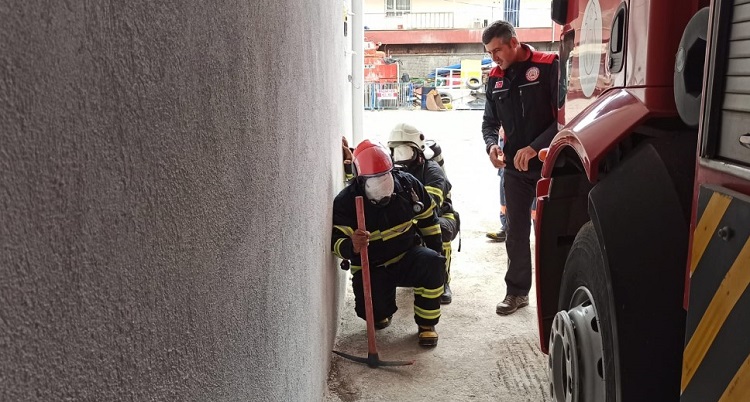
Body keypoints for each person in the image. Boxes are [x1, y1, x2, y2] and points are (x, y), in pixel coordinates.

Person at [331, 140, 446, 347]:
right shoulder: (346, 202)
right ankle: (381, 311)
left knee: (433, 263)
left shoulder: (408, 185)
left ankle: (427, 324)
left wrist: (436, 256)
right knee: (375, 316)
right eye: (374, 181)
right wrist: (352, 245)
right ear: (360, 178)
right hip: (372, 266)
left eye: (385, 177)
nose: (382, 186)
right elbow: (336, 242)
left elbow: (429, 221)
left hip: (407, 255)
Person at [481, 20, 559, 315]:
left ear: (514, 43)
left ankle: (557, 295)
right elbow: (489, 123)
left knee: (550, 232)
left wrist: (536, 147)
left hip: (550, 164)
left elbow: (565, 117)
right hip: (514, 168)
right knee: (515, 232)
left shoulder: (548, 65)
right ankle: (516, 292)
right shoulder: (495, 78)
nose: (494, 58)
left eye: (497, 50)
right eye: (489, 53)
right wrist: (492, 146)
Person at [387, 123, 459, 305]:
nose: (400, 157)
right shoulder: (392, 171)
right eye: (396, 151)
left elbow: (431, 206)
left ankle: (442, 281)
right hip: (408, 217)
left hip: (441, 216)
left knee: (440, 230)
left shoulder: (432, 171)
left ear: (418, 151)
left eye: (405, 151)